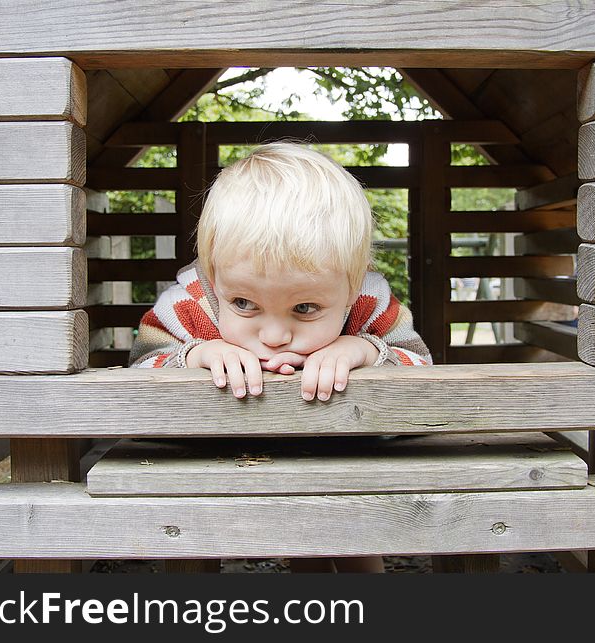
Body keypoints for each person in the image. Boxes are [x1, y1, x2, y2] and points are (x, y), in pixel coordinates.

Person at [129, 142, 432, 572]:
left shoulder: (367, 302)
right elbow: (139, 372)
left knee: (351, 534)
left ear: (350, 286)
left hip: (339, 456)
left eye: (305, 309)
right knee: (188, 533)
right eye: (244, 304)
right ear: (213, 274)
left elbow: (421, 366)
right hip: (219, 459)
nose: (273, 335)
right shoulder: (189, 306)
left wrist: (365, 349)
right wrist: (197, 354)